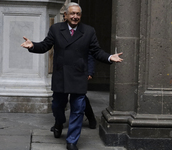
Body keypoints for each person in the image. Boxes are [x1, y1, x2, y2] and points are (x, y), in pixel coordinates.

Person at [21, 2, 123, 150]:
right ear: (66, 15)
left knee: (78, 109)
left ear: (80, 16)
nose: (75, 16)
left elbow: (96, 51)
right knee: (57, 106)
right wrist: (33, 46)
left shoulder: (89, 31)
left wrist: (108, 57)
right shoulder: (56, 29)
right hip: (60, 75)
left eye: (78, 14)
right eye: (72, 14)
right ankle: (58, 123)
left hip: (78, 76)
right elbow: (45, 45)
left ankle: (72, 141)